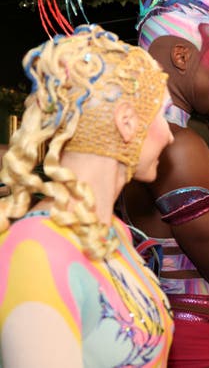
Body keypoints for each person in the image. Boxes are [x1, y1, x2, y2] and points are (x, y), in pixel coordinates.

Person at [0, 25, 175, 367]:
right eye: (163, 115)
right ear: (126, 122)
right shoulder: (36, 249)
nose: (169, 136)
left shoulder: (113, 232)